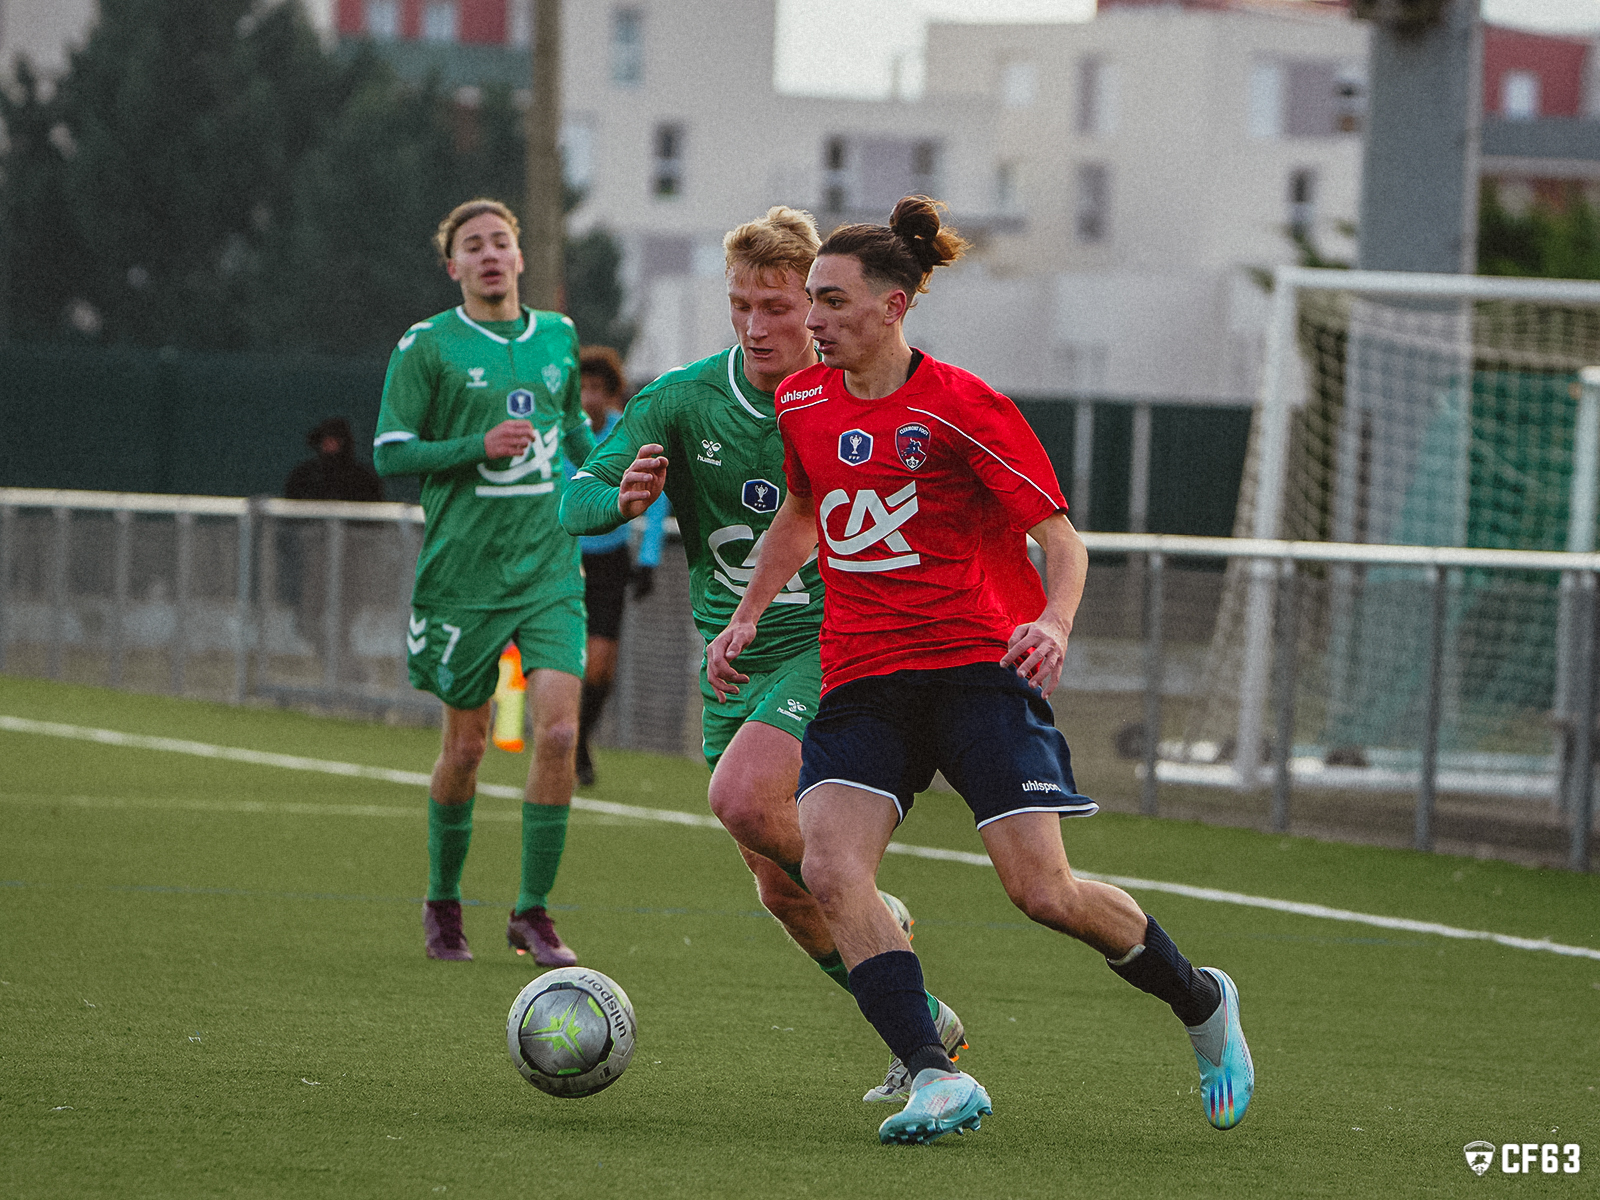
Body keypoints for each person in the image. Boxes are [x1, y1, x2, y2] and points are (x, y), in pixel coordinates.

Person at [706, 196, 1255, 1145]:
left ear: (893, 306)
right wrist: (750, 612)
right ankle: (934, 1075)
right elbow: (803, 508)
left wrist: (1054, 622)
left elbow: (1062, 540)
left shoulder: (963, 406)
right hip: (862, 676)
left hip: (973, 672)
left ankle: (1201, 999)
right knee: (831, 868)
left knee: (1043, 893)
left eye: (831, 300)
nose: (814, 320)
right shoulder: (802, 402)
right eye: (812, 301)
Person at [560, 206, 966, 1102]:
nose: (757, 325)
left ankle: (868, 911)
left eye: (778, 306)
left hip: (838, 645)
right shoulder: (682, 401)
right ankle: (919, 1021)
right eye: (741, 305)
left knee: (743, 798)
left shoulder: (857, 393)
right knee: (784, 893)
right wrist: (617, 501)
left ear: (815, 304)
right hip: (734, 660)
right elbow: (573, 498)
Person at [373, 198, 595, 966]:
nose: (491, 254)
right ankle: (443, 901)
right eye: (474, 245)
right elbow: (391, 452)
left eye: (502, 241)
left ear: (521, 257)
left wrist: (614, 474)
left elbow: (575, 433)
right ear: (454, 266)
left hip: (549, 568)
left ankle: (533, 913)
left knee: (558, 732)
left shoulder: (559, 336)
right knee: (466, 748)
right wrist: (479, 444)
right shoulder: (427, 345)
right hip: (463, 577)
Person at [569, 345, 667, 788]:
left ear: (611, 393)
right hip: (564, 559)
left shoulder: (624, 435)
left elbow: (655, 496)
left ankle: (580, 739)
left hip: (609, 561)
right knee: (564, 660)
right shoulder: (562, 434)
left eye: (597, 388)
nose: (589, 397)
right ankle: (562, 736)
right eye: (582, 388)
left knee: (601, 666)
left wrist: (648, 559)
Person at [284, 417, 385, 502]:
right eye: (325, 440)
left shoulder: (364, 480)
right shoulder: (303, 477)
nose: (329, 444)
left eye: (334, 440)